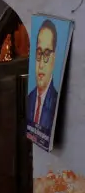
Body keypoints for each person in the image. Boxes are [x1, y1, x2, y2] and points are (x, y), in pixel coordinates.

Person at [27, 19, 60, 147]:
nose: (41, 64)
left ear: (54, 58)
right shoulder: (29, 98)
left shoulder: (55, 102)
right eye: (39, 53)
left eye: (47, 53)